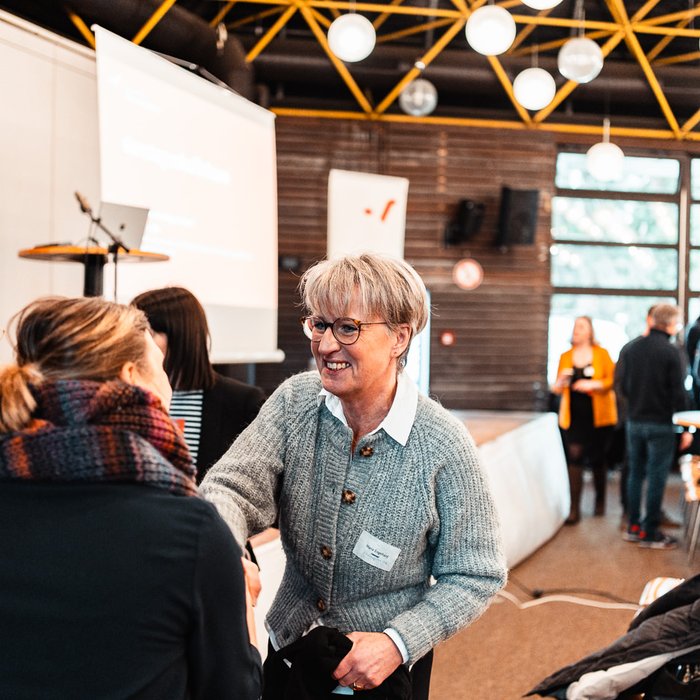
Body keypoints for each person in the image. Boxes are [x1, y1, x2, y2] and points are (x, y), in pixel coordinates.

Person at [201, 253, 507, 698]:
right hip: (291, 646)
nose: (326, 345)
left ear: (399, 337)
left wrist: (397, 642)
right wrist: (226, 551)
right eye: (319, 325)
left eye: (348, 328)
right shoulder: (295, 403)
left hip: (383, 671)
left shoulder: (442, 444)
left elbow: (477, 574)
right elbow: (230, 487)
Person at [0, 296, 262, 699]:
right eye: (160, 367)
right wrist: (241, 609)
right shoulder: (188, 531)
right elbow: (234, 691)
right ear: (133, 378)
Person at [132, 286, 266, 483]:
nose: (136, 344)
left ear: (179, 336)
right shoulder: (130, 396)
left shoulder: (243, 403)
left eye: (147, 334)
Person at [615, 303, 692, 549]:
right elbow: (679, 394)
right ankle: (650, 533)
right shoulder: (672, 352)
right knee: (657, 476)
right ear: (670, 324)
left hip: (634, 421)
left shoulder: (630, 348)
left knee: (635, 474)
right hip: (661, 423)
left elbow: (622, 387)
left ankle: (634, 526)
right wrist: (686, 428)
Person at [552, 316, 617, 524]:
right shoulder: (565, 356)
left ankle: (600, 501)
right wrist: (561, 381)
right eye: (575, 327)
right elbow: (556, 388)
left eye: (581, 327)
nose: (576, 330)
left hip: (599, 415)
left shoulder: (602, 354)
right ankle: (574, 509)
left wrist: (594, 385)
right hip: (574, 415)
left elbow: (612, 380)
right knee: (575, 456)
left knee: (598, 458)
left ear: (590, 331)